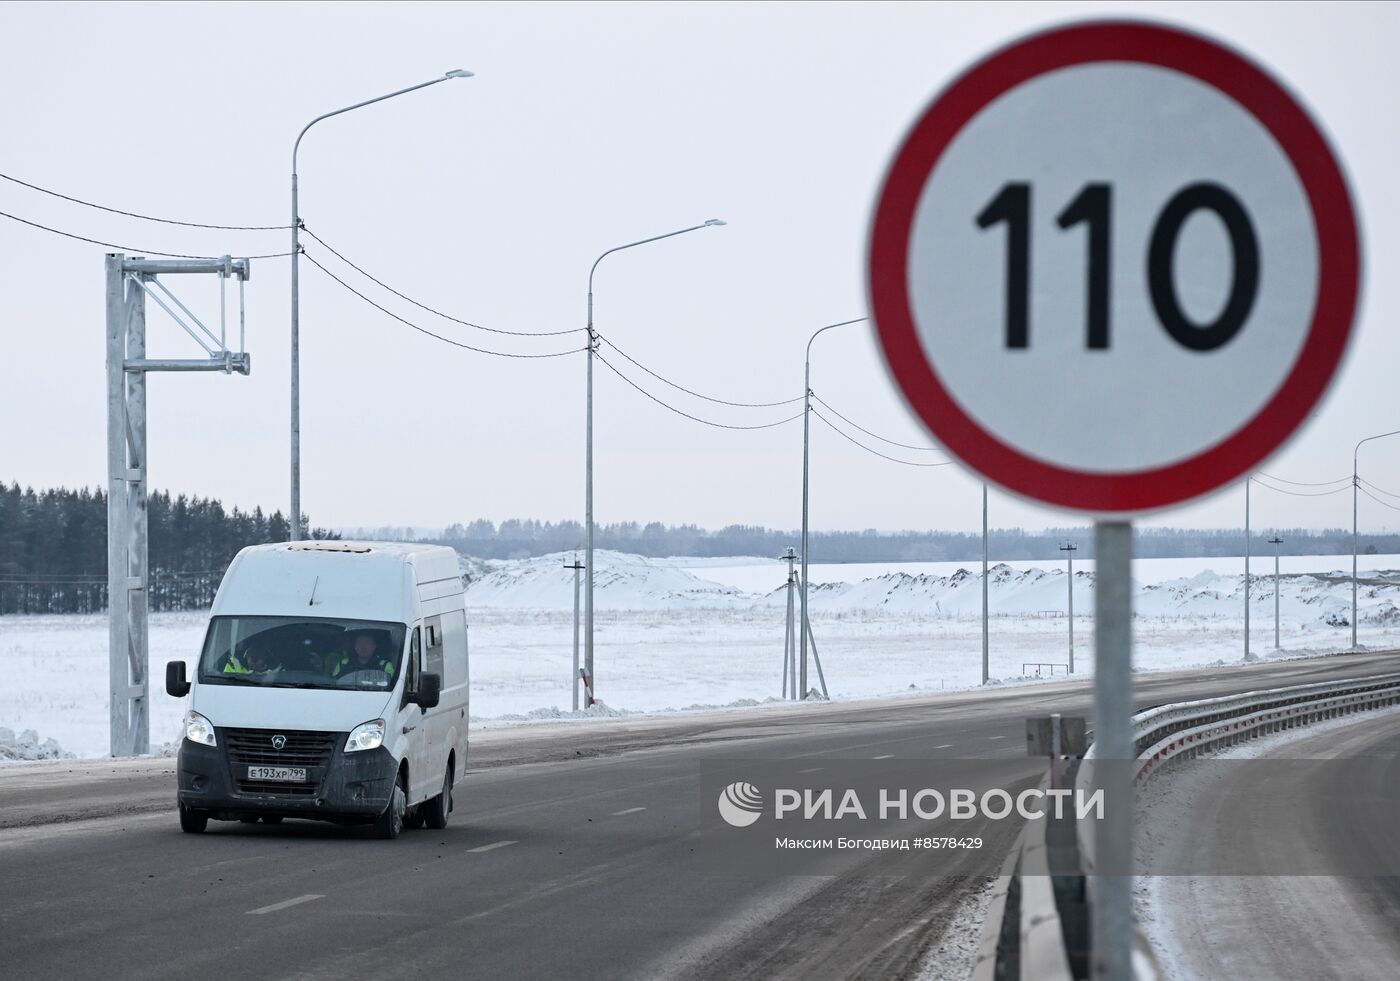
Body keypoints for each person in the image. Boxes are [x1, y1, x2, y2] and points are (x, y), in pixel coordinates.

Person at [328, 631, 396, 680]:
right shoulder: (343, 663)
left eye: (367, 643)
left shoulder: (385, 665)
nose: (363, 647)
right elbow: (334, 682)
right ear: (355, 647)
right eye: (360, 643)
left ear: (374, 647)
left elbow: (392, 685)